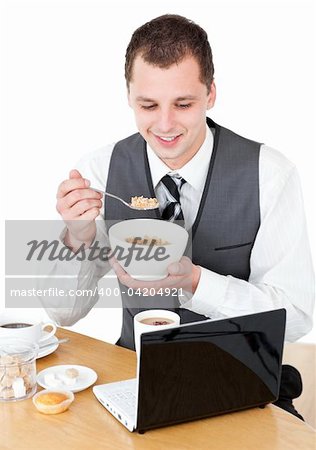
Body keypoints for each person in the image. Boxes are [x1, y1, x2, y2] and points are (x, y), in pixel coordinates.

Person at [47, 14, 314, 419]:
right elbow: (62, 313)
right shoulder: (99, 171)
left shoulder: (270, 174)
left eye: (184, 104)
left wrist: (197, 283)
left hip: (240, 378)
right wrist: (78, 238)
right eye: (148, 105)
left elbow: (295, 319)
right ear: (129, 97)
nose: (166, 125)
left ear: (211, 94)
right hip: (133, 377)